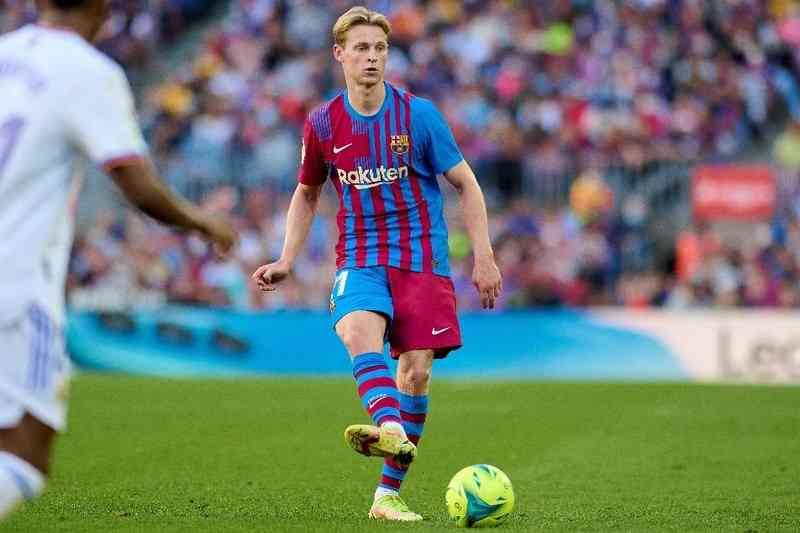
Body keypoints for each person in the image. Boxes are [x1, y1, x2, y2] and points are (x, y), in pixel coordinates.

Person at [252, 6, 502, 522]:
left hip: (422, 259)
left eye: (380, 48)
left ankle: (387, 495)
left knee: (415, 373)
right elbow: (307, 192)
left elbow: (466, 184)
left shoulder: (419, 116)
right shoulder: (323, 123)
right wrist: (287, 257)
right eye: (362, 48)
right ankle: (390, 428)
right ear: (339, 55)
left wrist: (485, 256)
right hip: (361, 256)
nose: (372, 57)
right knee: (356, 330)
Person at [0, 0, 236, 519]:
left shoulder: (6, 53)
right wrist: (201, 220)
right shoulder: (88, 71)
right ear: (103, 9)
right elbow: (133, 179)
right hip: (15, 284)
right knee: (24, 453)